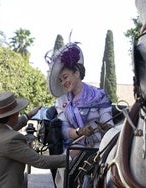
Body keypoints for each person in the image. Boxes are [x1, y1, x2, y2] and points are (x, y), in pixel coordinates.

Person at [46, 42, 114, 187]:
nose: (63, 82)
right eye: (61, 80)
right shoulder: (62, 100)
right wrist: (78, 132)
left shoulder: (98, 95)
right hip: (75, 147)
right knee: (64, 169)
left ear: (76, 73)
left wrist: (105, 128)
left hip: (100, 146)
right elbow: (64, 130)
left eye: (65, 77)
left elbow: (109, 124)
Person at [0, 91, 66, 188]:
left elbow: (7, 127)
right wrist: (69, 157)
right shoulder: (11, 140)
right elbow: (40, 161)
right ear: (14, 114)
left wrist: (28, 115)